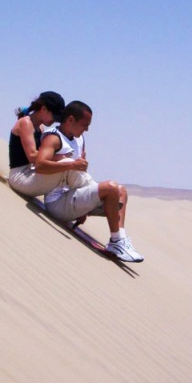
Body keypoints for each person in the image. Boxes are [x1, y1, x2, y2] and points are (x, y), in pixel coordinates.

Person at [35, 101, 144, 263]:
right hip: (57, 202)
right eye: (84, 125)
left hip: (74, 196)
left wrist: (83, 207)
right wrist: (70, 163)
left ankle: (119, 239)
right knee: (111, 188)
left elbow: (81, 171)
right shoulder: (53, 138)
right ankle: (116, 242)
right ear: (70, 120)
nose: (86, 129)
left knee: (120, 191)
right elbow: (40, 165)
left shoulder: (80, 139)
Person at [7, 91, 72, 197]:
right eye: (54, 116)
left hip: (31, 173)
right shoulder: (26, 123)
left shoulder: (40, 128)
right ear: (43, 109)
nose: (54, 121)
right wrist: (59, 158)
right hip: (19, 176)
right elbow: (32, 156)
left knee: (70, 166)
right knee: (68, 164)